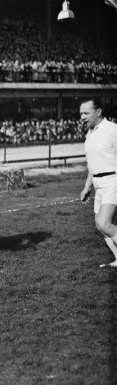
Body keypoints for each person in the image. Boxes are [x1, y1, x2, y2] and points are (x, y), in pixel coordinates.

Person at [79, 98, 117, 268]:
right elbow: (93, 164)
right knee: (100, 226)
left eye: (86, 113)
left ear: (99, 112)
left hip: (113, 180)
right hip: (97, 182)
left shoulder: (112, 130)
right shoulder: (90, 132)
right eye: (80, 113)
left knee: (104, 223)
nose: (82, 117)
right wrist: (87, 187)